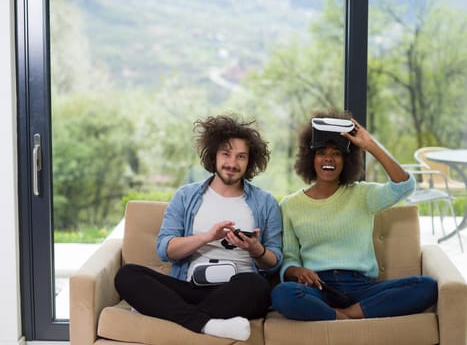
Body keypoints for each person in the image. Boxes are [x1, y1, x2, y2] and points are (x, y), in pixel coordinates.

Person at [115, 114, 282, 341]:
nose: (232, 163)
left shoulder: (266, 202)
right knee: (127, 275)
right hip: (189, 288)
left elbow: (274, 262)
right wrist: (206, 237)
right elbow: (165, 250)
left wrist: (256, 250)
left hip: (237, 292)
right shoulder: (186, 196)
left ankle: (166, 310)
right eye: (226, 154)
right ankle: (207, 324)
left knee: (257, 286)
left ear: (250, 161)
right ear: (213, 155)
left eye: (241, 157)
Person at [271, 110, 437, 321]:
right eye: (321, 152)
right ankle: (349, 315)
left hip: (362, 288)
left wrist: (370, 145)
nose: (328, 158)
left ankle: (344, 316)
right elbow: (289, 259)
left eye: (337, 153)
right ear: (310, 157)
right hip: (318, 288)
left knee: (426, 286)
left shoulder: (362, 194)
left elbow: (404, 186)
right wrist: (297, 271)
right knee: (282, 294)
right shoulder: (290, 205)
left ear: (346, 159)